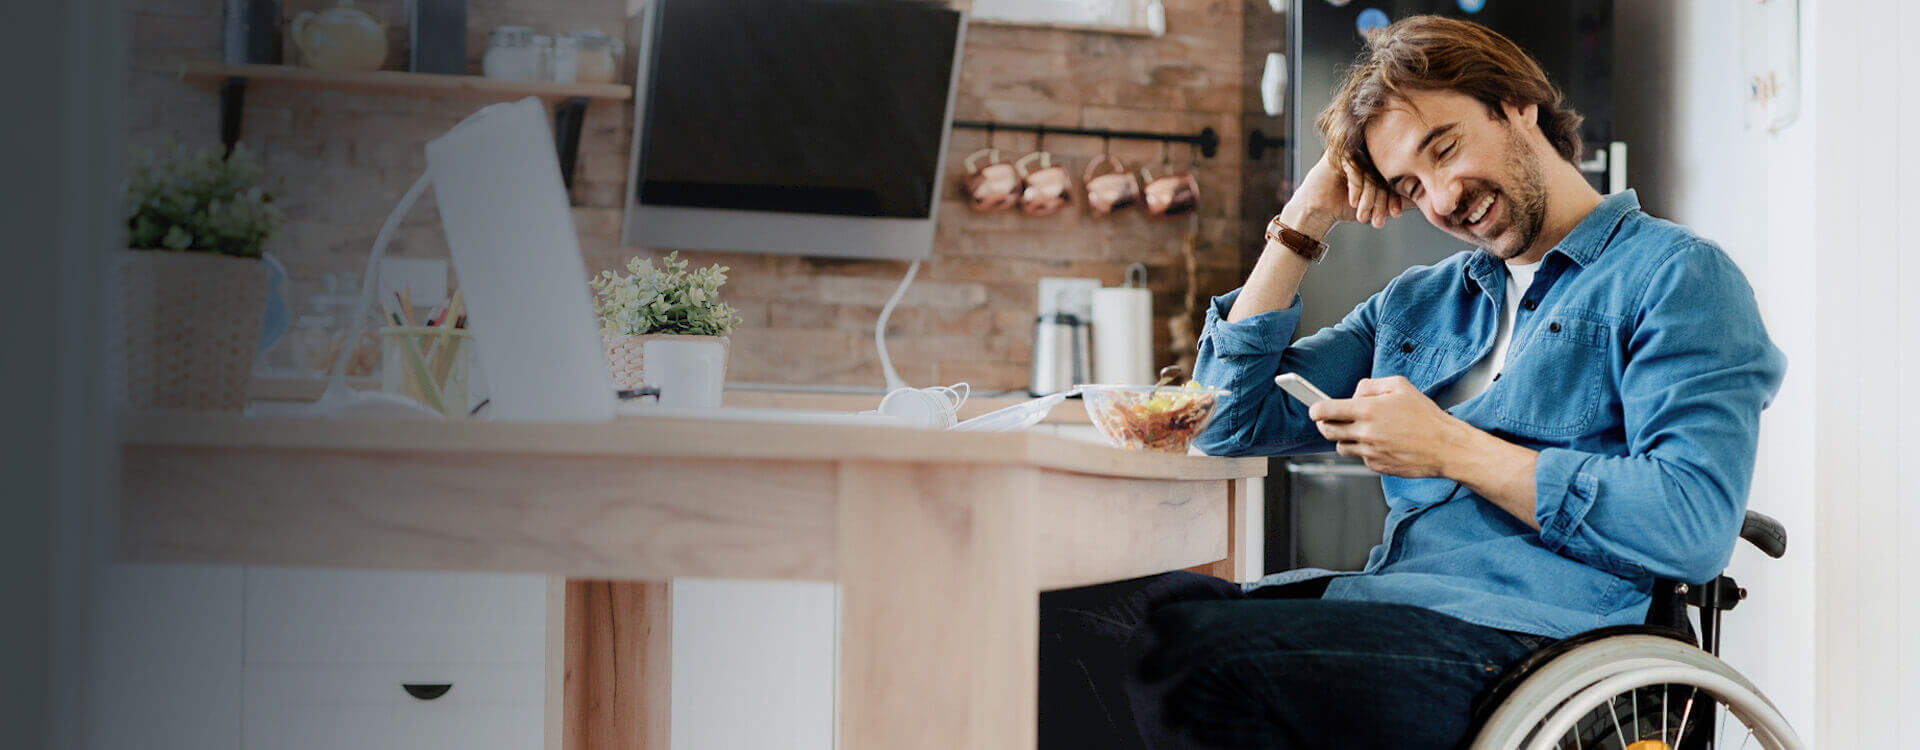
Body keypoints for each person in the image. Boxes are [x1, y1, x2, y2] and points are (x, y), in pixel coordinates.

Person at [1037, 15, 1786, 749]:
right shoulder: (1420, 302)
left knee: (1190, 655)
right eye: (1409, 183)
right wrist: (1305, 219)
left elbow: (1690, 527)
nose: (1442, 198)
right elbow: (1223, 423)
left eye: (1446, 147)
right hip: (1391, 607)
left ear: (1517, 106)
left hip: (1535, 647)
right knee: (1067, 627)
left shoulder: (1676, 277)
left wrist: (1451, 448)